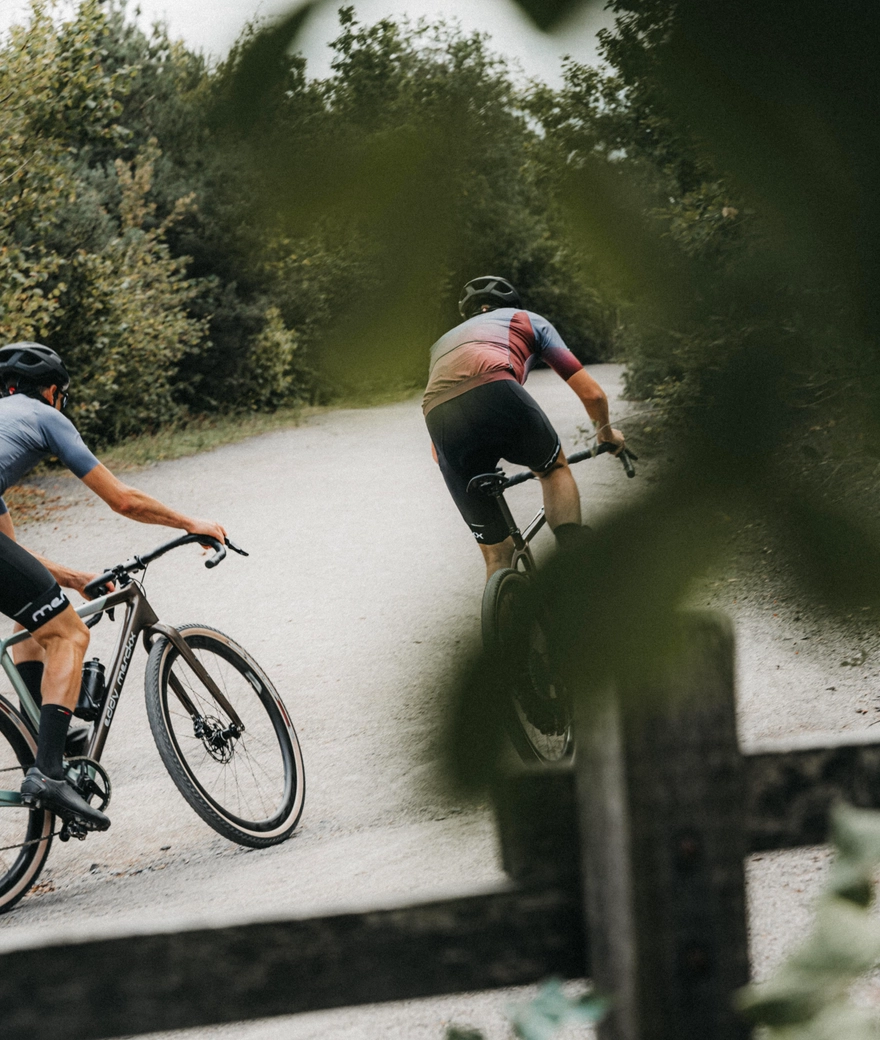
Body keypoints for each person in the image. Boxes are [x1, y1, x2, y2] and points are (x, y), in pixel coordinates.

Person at [0, 342, 227, 830]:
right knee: (70, 635)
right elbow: (123, 500)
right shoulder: (46, 417)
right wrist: (192, 523)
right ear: (56, 392)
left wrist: (76, 578)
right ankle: (50, 773)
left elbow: (11, 558)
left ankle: (47, 739)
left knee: (33, 620)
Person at [424, 276, 625, 580]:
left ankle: (502, 605)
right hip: (496, 390)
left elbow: (438, 452)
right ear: (511, 305)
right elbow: (593, 395)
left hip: (438, 419)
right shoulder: (527, 320)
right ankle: (575, 561)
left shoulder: (441, 344)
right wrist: (606, 434)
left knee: (496, 556)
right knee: (553, 469)